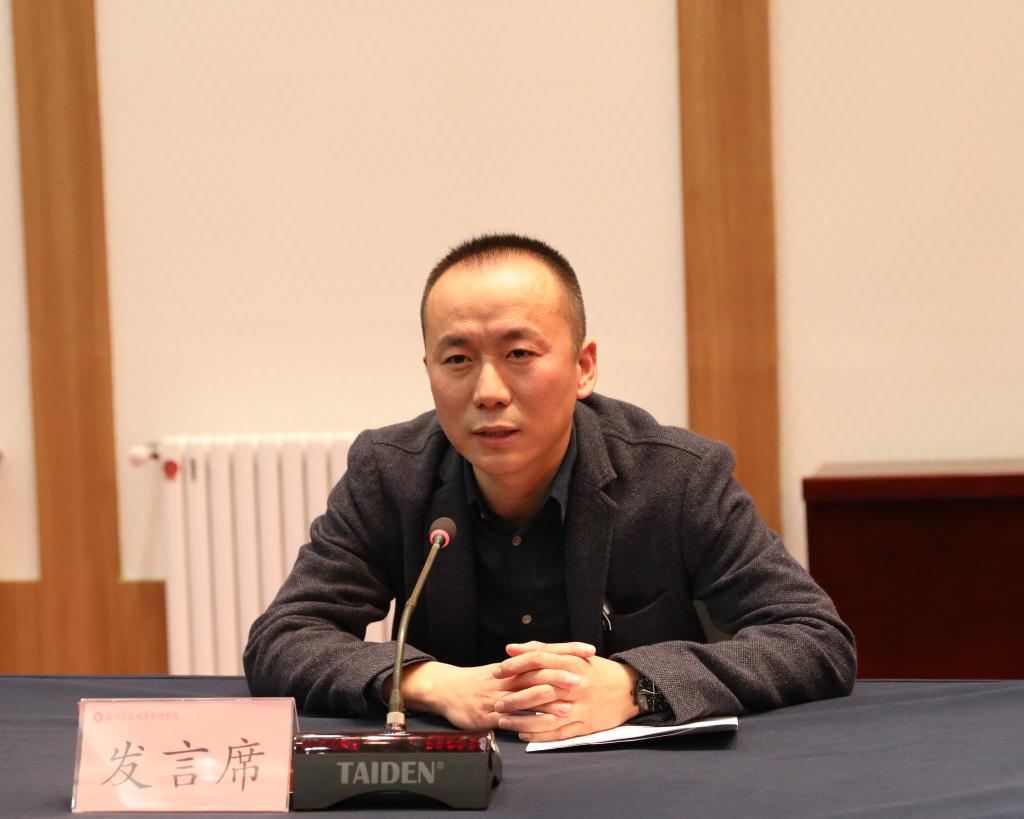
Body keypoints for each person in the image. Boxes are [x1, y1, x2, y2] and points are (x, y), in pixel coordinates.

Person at [244, 234, 855, 742]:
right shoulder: (391, 474)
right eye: (457, 360)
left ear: (583, 367)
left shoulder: (677, 477)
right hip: (461, 785)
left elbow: (814, 637)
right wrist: (431, 683)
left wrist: (635, 684)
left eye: (519, 353)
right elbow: (284, 636)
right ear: (429, 372)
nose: (489, 391)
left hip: (642, 783)